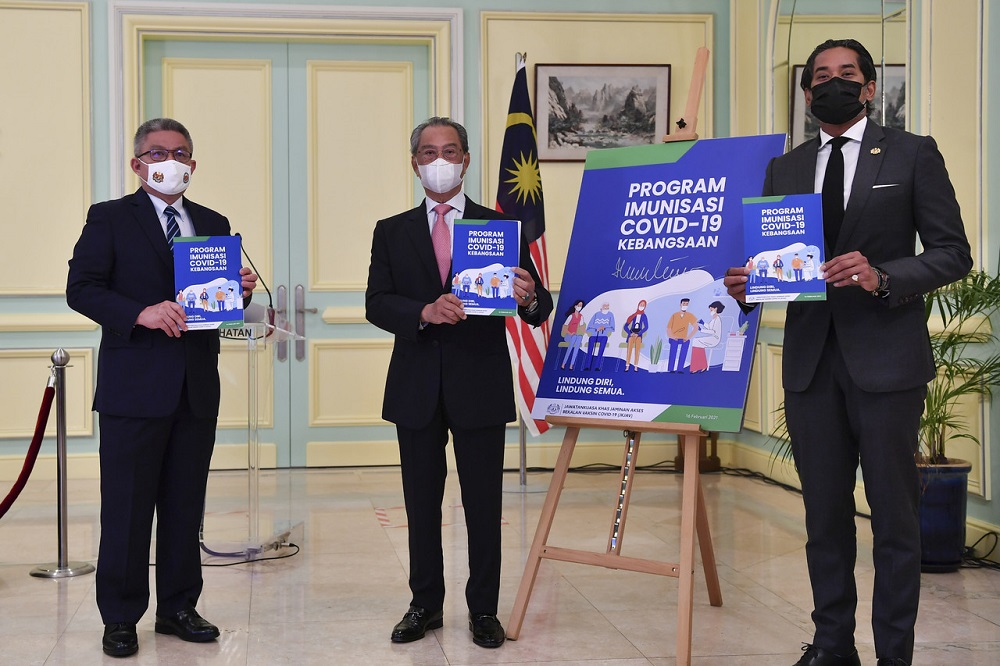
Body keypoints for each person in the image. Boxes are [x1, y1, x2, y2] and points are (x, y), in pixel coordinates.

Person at [724, 39, 971, 666]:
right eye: (820, 76)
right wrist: (749, 286)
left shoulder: (912, 152)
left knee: (893, 520)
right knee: (823, 519)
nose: (832, 83)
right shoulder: (784, 169)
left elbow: (952, 253)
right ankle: (833, 644)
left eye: (847, 73)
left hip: (888, 364)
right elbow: (777, 265)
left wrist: (882, 276)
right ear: (807, 92)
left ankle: (894, 654)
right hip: (810, 366)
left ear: (869, 88)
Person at [66, 117, 259, 658]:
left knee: (184, 505)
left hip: (195, 388)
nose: (169, 161)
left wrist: (237, 292)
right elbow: (81, 289)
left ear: (192, 164)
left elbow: (215, 303)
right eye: (157, 152)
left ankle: (179, 607)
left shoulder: (213, 222)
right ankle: (121, 616)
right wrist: (141, 313)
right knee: (127, 508)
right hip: (133, 389)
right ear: (137, 163)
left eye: (180, 153)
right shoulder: (109, 218)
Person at [365, 117, 552, 649]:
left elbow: (539, 307)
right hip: (416, 386)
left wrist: (528, 295)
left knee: (484, 505)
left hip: (480, 385)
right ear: (415, 163)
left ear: (466, 160)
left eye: (450, 151)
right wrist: (423, 311)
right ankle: (424, 604)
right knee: (421, 504)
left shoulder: (500, 226)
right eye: (429, 152)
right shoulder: (392, 230)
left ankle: (484, 609)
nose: (440, 160)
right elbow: (376, 302)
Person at [689, 301, 725, 373]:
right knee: (697, 342)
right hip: (713, 338)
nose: (710, 312)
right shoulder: (714, 319)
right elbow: (709, 327)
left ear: (716, 309)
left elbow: (713, 331)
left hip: (715, 339)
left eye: (711, 310)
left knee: (696, 341)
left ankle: (699, 366)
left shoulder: (717, 319)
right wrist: (703, 323)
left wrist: (701, 330)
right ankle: (701, 365)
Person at [665, 297, 699, 373]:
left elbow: (696, 327)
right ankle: (671, 369)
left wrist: (688, 337)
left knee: (684, 350)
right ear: (680, 304)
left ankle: (680, 369)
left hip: (684, 338)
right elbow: (668, 328)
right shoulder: (674, 315)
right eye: (684, 304)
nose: (685, 305)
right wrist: (673, 337)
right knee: (673, 352)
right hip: (674, 338)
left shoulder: (689, 315)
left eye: (687, 304)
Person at [584, 302, 616, 371]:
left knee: (601, 350)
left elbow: (613, 328)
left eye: (607, 307)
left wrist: (605, 328)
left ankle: (597, 366)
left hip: (603, 336)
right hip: (594, 335)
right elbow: (588, 328)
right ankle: (587, 365)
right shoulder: (596, 314)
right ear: (601, 307)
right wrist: (596, 329)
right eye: (605, 307)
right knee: (590, 350)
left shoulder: (610, 315)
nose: (606, 308)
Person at [622, 299, 648, 372]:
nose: (641, 306)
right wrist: (630, 333)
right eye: (641, 304)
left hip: (638, 334)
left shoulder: (644, 316)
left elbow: (646, 327)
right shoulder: (633, 315)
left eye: (643, 305)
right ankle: (627, 366)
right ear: (638, 305)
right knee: (629, 350)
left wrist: (639, 334)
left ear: (645, 307)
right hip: (632, 333)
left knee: (637, 350)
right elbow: (625, 326)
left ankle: (636, 366)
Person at [561, 299, 586, 370]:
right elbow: (564, 328)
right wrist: (570, 333)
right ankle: (564, 363)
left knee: (579, 338)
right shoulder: (571, 316)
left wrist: (586, 332)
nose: (579, 307)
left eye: (581, 306)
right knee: (574, 338)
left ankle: (571, 364)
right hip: (568, 335)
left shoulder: (581, 316)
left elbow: (581, 327)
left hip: (575, 335)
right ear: (575, 306)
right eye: (579, 305)